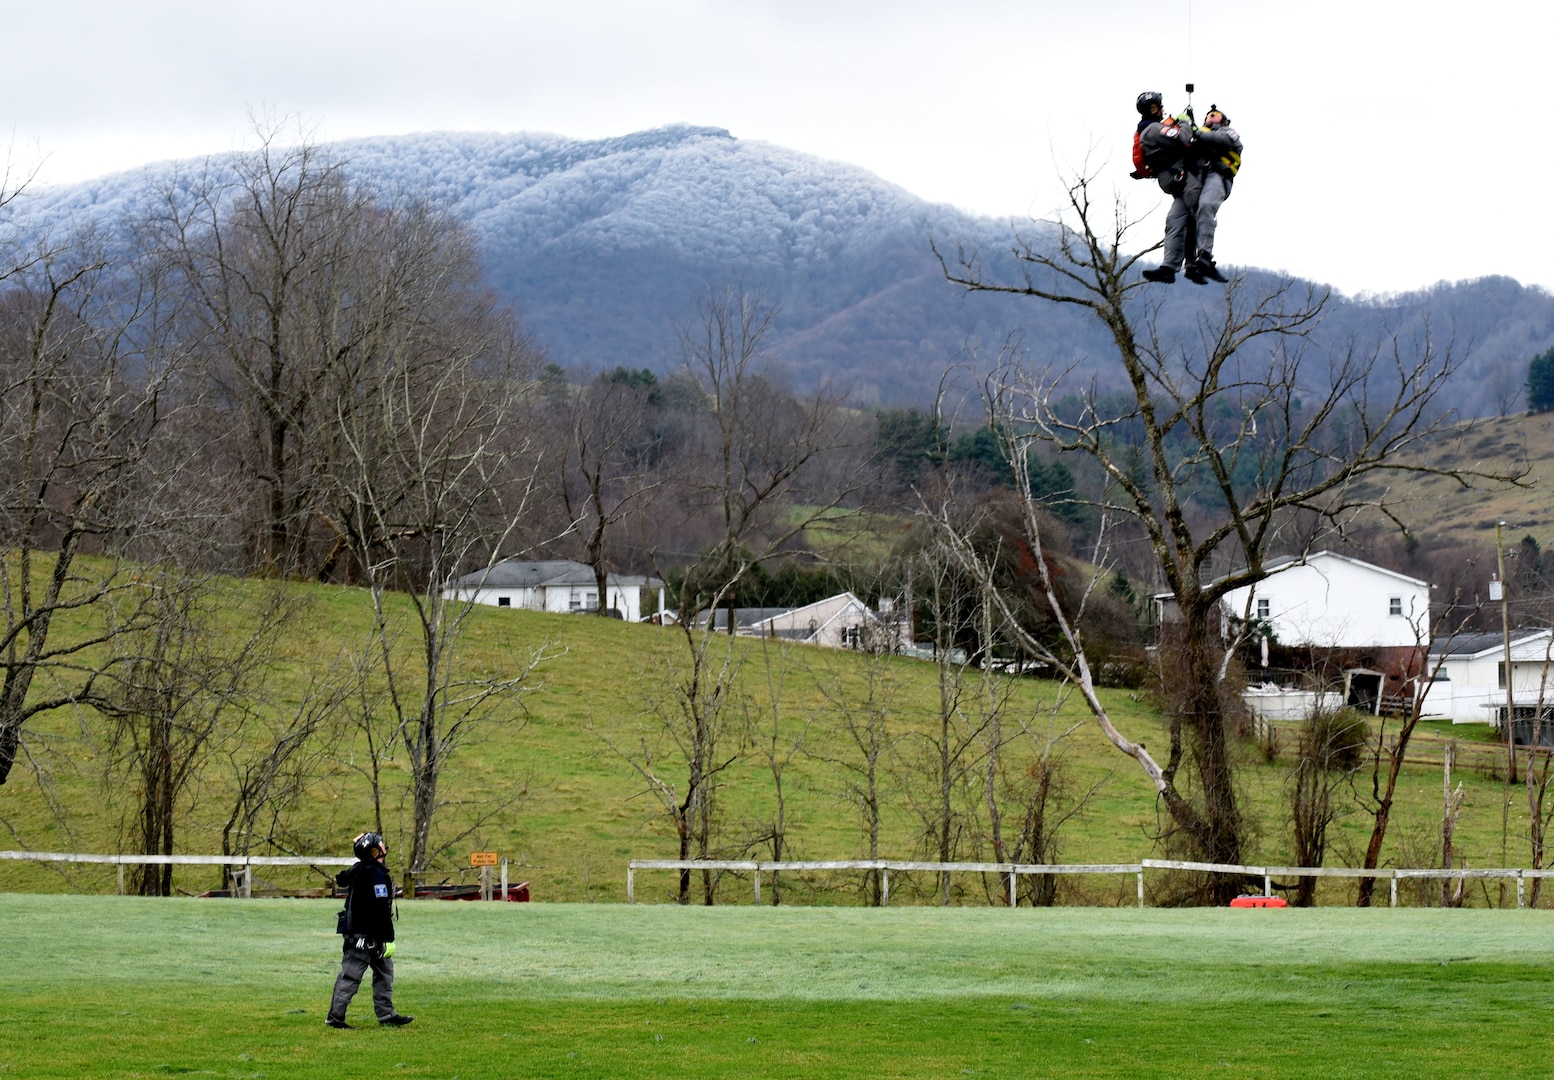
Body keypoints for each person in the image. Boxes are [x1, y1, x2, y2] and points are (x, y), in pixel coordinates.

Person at [1142, 103, 1242, 285]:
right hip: (1194, 179)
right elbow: (1181, 143)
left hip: (1217, 176)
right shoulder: (1196, 135)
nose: (1211, 116)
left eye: (1215, 114)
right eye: (1209, 114)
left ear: (1223, 119)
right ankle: (1169, 267)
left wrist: (1193, 129)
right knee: (1175, 219)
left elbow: (1221, 141)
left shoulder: (1228, 132)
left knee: (1205, 206)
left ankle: (1204, 256)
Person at [325, 832, 414, 1029]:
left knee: (384, 972)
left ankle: (387, 1015)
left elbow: (342, 878)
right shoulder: (376, 875)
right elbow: (381, 911)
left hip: (369, 936)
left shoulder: (360, 869)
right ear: (374, 851)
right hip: (363, 937)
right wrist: (389, 939)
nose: (384, 848)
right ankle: (335, 1018)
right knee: (350, 977)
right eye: (381, 845)